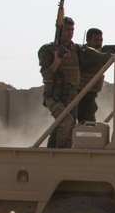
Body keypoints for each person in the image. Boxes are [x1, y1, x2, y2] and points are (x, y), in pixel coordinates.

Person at [37, 17, 108, 148]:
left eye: (72, 30)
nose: (70, 33)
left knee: (64, 125)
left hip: (71, 95)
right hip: (54, 95)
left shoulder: (76, 49)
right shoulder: (47, 50)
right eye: (67, 29)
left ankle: (51, 152)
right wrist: (57, 60)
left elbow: (96, 55)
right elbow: (46, 74)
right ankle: (61, 154)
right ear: (59, 30)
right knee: (66, 121)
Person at [77, 28, 109, 124]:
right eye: (96, 40)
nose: (99, 43)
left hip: (89, 95)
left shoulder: (99, 53)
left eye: (101, 40)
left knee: (88, 123)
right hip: (78, 94)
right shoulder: (83, 52)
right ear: (88, 40)